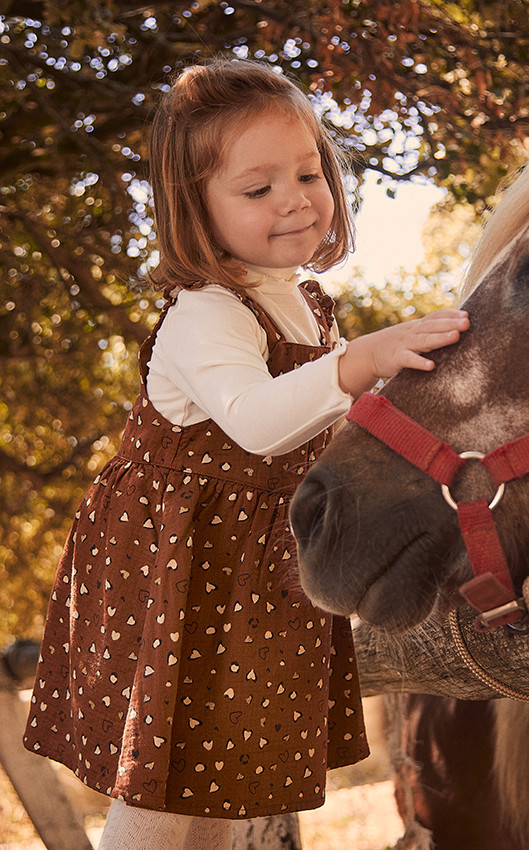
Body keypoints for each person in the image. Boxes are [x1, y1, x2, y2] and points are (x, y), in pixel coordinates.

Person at [22, 57, 469, 849]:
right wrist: (361, 360)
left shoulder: (304, 301)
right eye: (257, 189)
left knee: (223, 789)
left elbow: (327, 428)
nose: (294, 199)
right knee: (163, 787)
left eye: (307, 172)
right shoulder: (207, 311)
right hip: (178, 568)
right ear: (197, 210)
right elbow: (258, 423)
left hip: (254, 575)